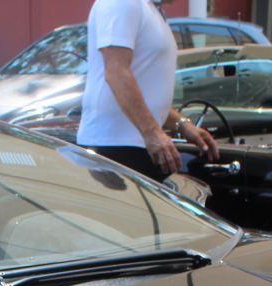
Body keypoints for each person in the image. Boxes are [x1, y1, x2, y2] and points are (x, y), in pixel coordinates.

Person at [77, 0, 219, 181]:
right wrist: (152, 132)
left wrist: (182, 124)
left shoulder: (150, 8)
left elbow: (147, 91)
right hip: (115, 147)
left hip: (138, 145)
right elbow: (116, 72)